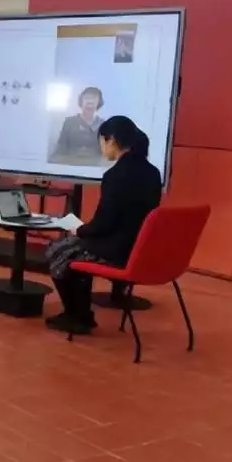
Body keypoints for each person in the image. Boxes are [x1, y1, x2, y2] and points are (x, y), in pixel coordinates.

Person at [45, 115, 162, 335]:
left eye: (102, 141)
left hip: (117, 251)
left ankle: (77, 316)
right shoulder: (153, 173)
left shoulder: (115, 175)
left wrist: (80, 229)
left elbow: (103, 224)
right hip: (140, 249)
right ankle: (81, 314)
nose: (101, 147)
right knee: (74, 249)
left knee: (58, 250)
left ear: (112, 140)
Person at [51, 86, 104, 163]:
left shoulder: (103, 125)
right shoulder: (69, 122)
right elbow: (61, 148)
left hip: (94, 167)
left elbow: (106, 153)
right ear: (81, 101)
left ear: (99, 102)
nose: (90, 101)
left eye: (94, 98)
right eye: (87, 98)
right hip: (71, 165)